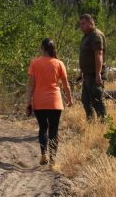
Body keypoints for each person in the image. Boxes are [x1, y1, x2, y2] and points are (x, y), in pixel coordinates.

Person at [26, 38, 73, 166]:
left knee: (43, 128)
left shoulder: (35, 63)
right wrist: (69, 99)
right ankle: (53, 159)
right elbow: (66, 85)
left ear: (42, 48)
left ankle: (43, 154)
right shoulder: (59, 63)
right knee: (53, 130)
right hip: (55, 101)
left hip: (39, 101)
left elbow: (31, 85)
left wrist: (28, 102)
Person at [78, 14, 107, 120]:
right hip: (87, 75)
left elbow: (99, 54)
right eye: (80, 24)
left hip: (94, 75)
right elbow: (84, 55)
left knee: (97, 100)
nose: (81, 26)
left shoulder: (96, 35)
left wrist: (98, 74)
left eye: (83, 24)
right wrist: (81, 73)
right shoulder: (87, 36)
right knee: (85, 100)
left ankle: (104, 123)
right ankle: (90, 123)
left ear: (91, 23)